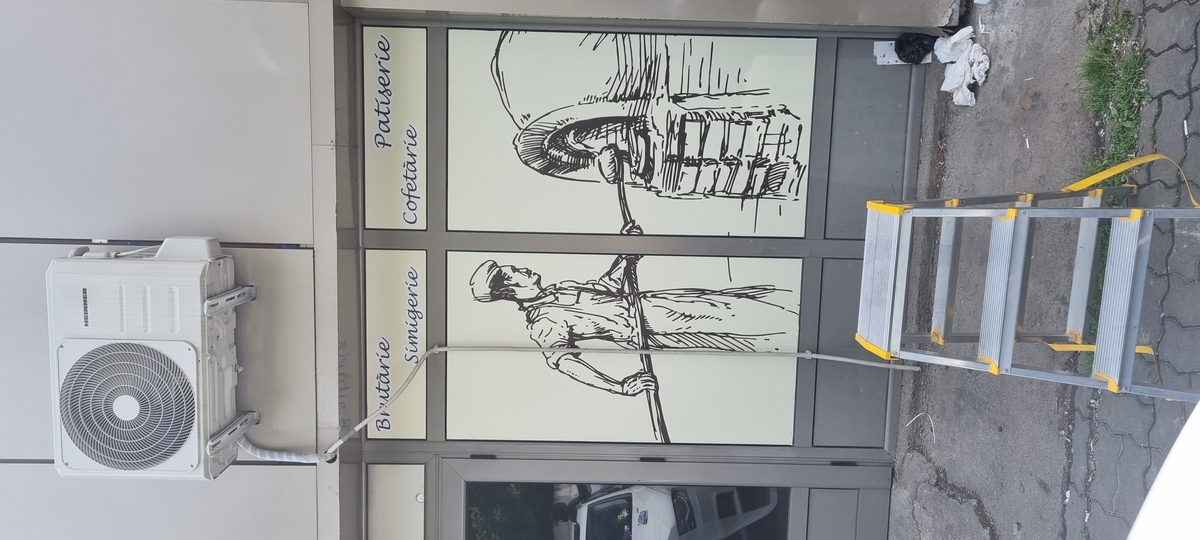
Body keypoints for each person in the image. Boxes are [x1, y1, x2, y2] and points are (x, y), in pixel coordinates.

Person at [469, 256, 798, 397]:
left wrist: (625, 258)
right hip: (653, 327)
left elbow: (606, 287)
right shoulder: (542, 323)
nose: (524, 269)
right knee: (742, 324)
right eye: (515, 272)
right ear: (509, 290)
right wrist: (619, 386)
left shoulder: (560, 289)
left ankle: (793, 315)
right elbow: (566, 362)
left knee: (739, 302)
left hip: (655, 302)